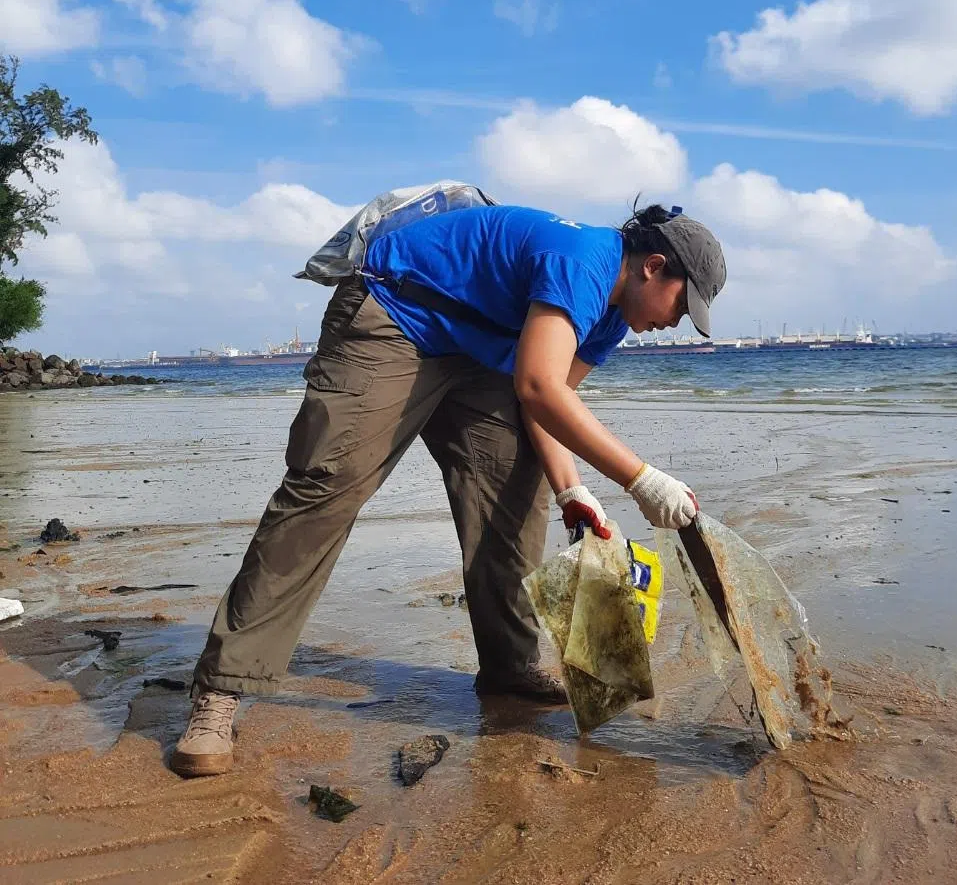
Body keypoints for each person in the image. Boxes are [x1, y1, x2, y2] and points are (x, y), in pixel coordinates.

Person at [171, 200, 726, 777]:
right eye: (683, 306)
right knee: (325, 489)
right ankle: (221, 688)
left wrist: (570, 490)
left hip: (481, 357)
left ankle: (510, 665)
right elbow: (539, 386)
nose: (677, 322)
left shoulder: (612, 319)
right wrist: (642, 479)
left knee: (514, 492)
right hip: (397, 314)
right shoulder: (584, 258)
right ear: (652, 266)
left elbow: (546, 403)